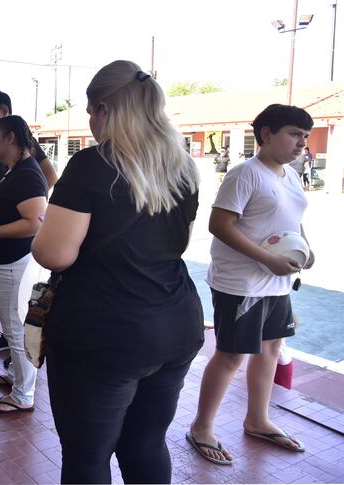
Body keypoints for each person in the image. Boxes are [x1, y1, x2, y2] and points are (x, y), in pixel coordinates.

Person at [32, 60, 204, 483]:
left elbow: (55, 254)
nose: (90, 121)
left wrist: (42, 233)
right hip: (176, 321)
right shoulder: (182, 165)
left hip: (105, 332)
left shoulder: (92, 164)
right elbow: (169, 242)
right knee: (146, 444)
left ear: (106, 108)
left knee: (89, 457)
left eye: (90, 111)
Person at [188, 104, 315, 465]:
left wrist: (306, 248)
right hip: (242, 283)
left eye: (305, 137)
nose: (301, 143)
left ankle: (257, 419)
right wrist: (268, 260)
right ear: (266, 135)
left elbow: (293, 218)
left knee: (271, 348)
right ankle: (201, 427)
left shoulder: (289, 175)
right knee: (231, 355)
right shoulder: (246, 174)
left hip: (276, 281)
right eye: (294, 134)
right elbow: (220, 225)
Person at [0, 115, 47, 414]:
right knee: (11, 324)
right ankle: (18, 377)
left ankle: (23, 395)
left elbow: (34, 223)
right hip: (8, 262)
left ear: (11, 138)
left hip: (17, 261)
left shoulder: (28, 174)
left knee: (16, 329)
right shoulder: (14, 170)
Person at [0, 90, 57, 358]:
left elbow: (36, 214)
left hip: (16, 253)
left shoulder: (26, 158)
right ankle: (17, 371)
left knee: (15, 320)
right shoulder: (14, 166)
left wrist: (26, 199)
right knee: (12, 318)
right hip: (7, 251)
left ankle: (22, 390)